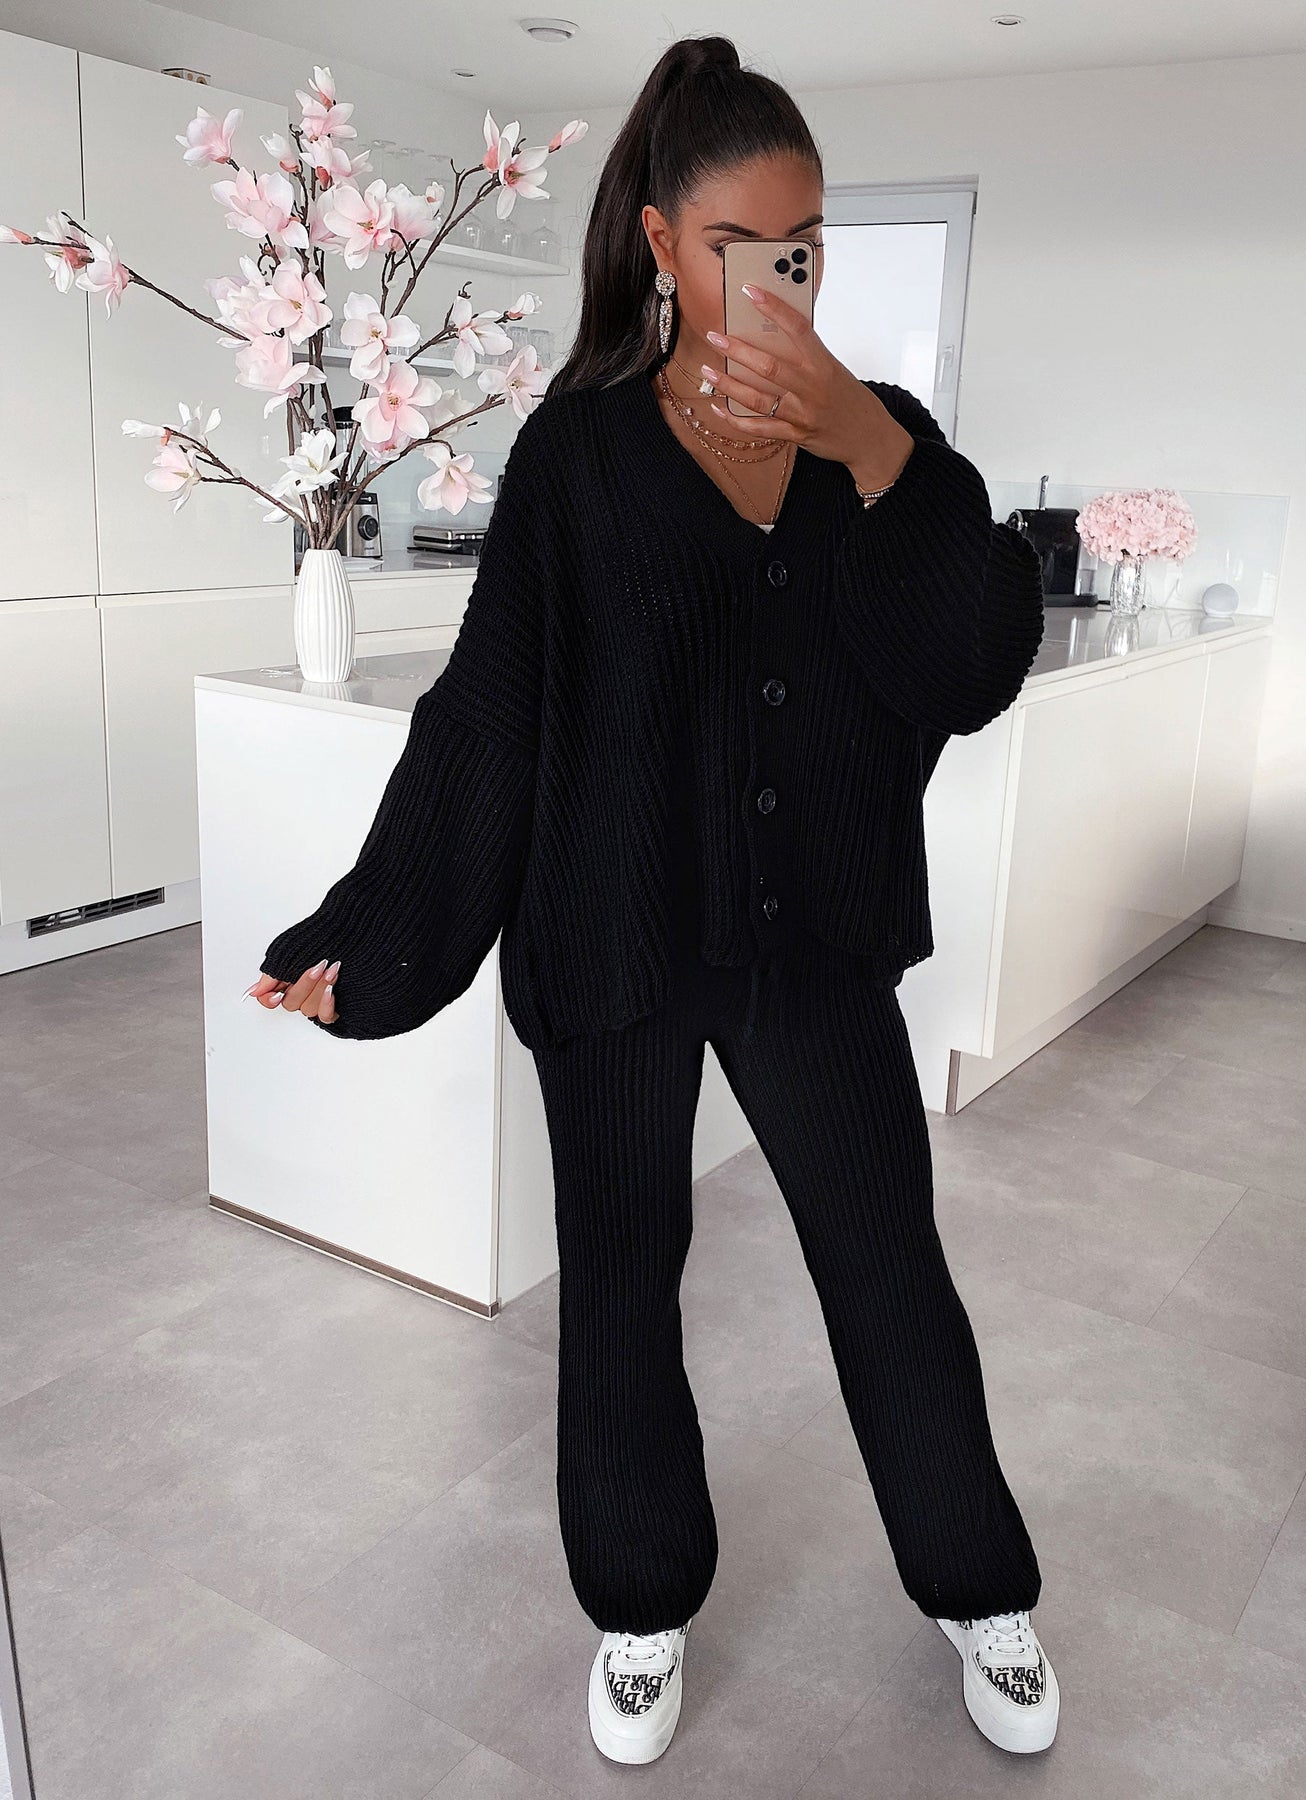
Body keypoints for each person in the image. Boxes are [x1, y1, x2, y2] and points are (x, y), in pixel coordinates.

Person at [250, 32, 1057, 1768]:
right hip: (614, 933)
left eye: (805, 247)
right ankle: (638, 1608)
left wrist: (871, 446)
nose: (779, 278)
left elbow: (973, 660)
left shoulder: (887, 447)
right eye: (741, 245)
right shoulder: (577, 459)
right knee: (622, 1283)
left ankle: (980, 1587)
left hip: (814, 941)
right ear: (660, 246)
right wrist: (371, 936)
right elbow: (493, 714)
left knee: (888, 1270)